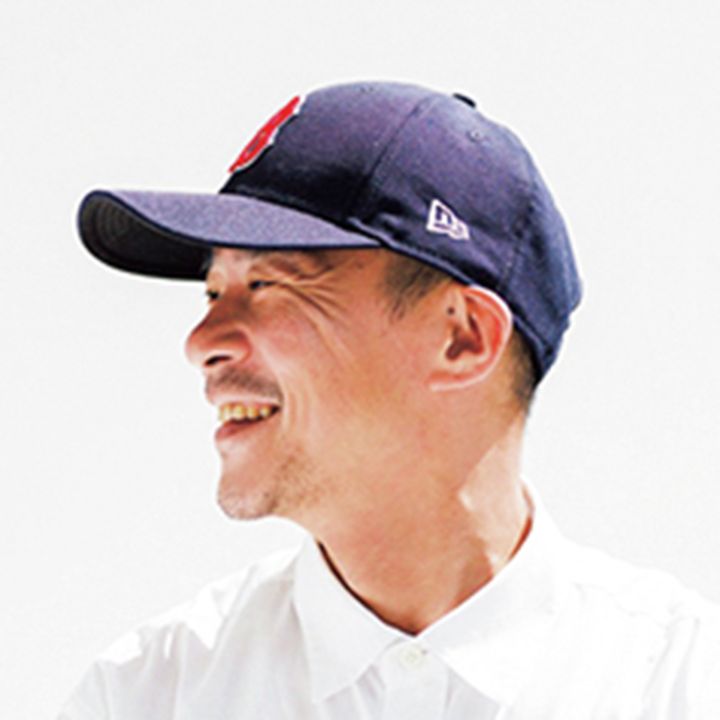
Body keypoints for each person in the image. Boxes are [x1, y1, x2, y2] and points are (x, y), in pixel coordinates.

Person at [61, 81, 719, 719]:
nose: (201, 342)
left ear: (462, 338)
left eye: (267, 285)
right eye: (212, 292)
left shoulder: (681, 687)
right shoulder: (147, 696)